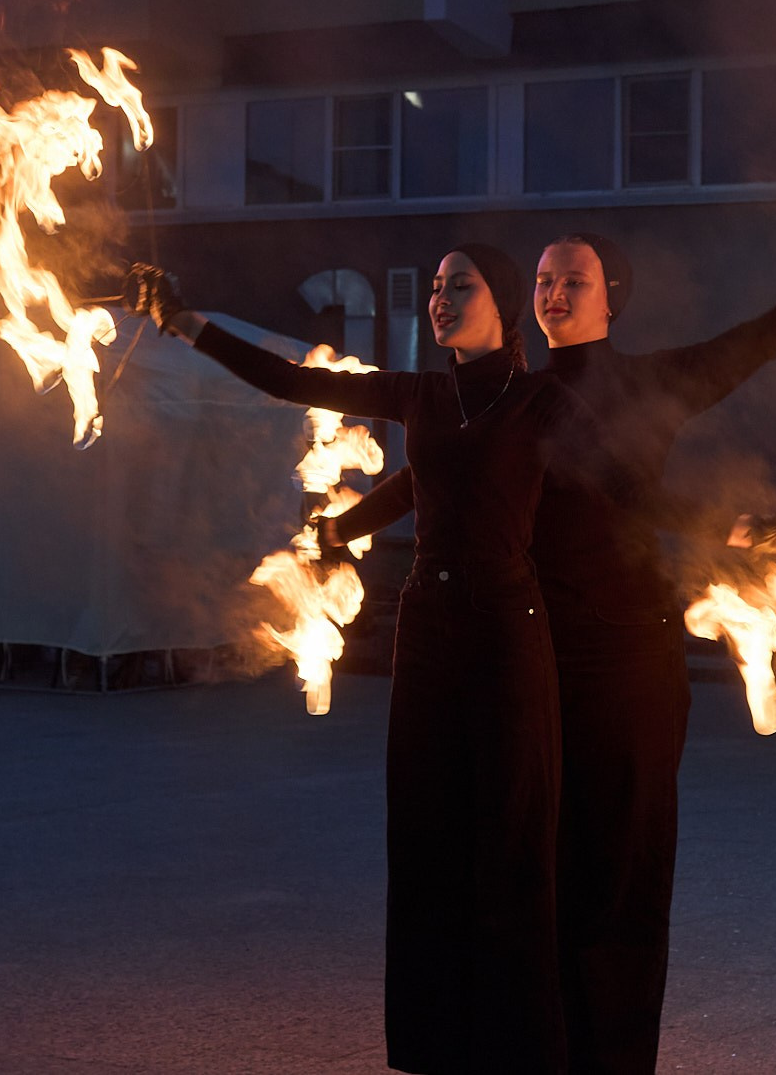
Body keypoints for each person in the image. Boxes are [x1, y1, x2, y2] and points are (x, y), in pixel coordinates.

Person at [326, 235, 776, 1075]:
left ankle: (611, 1059)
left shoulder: (653, 383)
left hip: (624, 658)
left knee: (617, 875)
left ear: (613, 298)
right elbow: (433, 474)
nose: (555, 292)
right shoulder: (518, 393)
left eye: (576, 279)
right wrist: (342, 528)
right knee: (532, 879)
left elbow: (760, 339)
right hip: (530, 657)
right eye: (544, 279)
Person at [121, 245, 603, 1075]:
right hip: (430, 629)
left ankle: (520, 1046)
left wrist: (737, 531)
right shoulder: (419, 394)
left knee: (511, 836)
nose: (442, 298)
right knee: (425, 834)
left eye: (462, 286)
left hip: (507, 630)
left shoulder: (541, 401)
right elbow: (294, 385)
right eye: (437, 287)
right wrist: (185, 322)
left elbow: (627, 473)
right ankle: (436, 1044)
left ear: (502, 305)